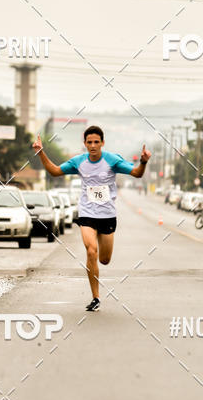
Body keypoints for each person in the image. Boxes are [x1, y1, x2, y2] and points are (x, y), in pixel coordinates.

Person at [32, 126, 151, 311]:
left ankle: (98, 280)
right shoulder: (78, 161)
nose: (93, 145)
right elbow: (54, 171)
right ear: (85, 144)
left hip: (107, 215)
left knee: (104, 259)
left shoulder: (112, 160)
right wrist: (41, 153)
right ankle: (96, 297)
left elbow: (137, 173)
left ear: (102, 143)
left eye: (96, 142)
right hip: (87, 213)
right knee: (91, 251)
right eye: (90, 142)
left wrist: (143, 162)